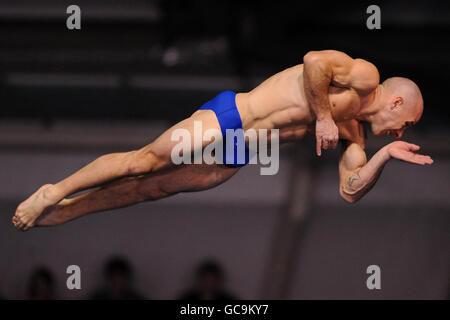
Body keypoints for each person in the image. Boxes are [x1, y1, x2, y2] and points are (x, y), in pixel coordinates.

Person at [12, 49, 432, 231]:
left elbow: (349, 191)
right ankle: (55, 190)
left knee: (153, 189)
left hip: (244, 150)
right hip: (233, 116)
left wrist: (386, 157)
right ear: (395, 102)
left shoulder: (354, 133)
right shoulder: (367, 78)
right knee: (143, 163)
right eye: (405, 125)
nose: (400, 133)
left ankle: (69, 211)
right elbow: (314, 62)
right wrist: (323, 115)